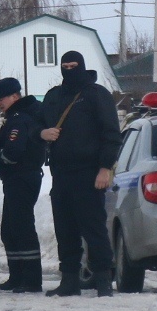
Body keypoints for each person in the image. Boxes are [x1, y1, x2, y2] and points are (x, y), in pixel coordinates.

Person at [38, 50, 121, 297]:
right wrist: (42, 134)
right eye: (65, 66)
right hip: (61, 174)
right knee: (65, 230)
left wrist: (105, 168)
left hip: (89, 173)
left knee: (93, 227)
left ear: (82, 66)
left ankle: (103, 279)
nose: (69, 69)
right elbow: (37, 124)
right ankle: (70, 280)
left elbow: (111, 135)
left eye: (74, 65)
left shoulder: (97, 95)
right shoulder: (54, 96)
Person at [0, 77, 47, 292]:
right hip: (17, 178)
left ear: (15, 96)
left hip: (22, 177)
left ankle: (30, 280)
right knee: (10, 229)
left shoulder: (20, 119)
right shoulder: (18, 116)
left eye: (1, 99)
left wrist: (2, 160)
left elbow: (14, 150)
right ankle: (18, 276)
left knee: (21, 228)